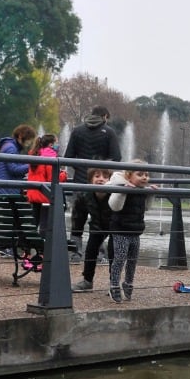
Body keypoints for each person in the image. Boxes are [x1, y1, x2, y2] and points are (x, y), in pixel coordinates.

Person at [63, 106, 121, 262]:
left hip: (80, 181)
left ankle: (75, 253)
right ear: (105, 116)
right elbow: (117, 158)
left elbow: (68, 156)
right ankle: (98, 255)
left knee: (77, 218)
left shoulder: (77, 131)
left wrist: (82, 170)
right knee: (99, 219)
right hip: (100, 184)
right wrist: (103, 172)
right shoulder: (109, 132)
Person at [105, 160, 155, 302]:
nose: (144, 177)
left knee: (132, 260)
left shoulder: (142, 190)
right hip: (120, 230)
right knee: (119, 259)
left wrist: (150, 194)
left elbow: (146, 208)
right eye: (140, 174)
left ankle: (128, 283)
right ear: (129, 175)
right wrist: (123, 191)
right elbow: (114, 206)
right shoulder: (121, 186)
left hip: (135, 231)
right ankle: (114, 285)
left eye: (146, 174)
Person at [23, 133, 66, 272]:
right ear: (51, 144)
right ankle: (41, 255)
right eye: (56, 142)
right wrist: (64, 175)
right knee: (44, 227)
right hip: (44, 196)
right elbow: (51, 178)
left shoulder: (34, 154)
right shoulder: (49, 156)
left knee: (33, 224)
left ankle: (27, 253)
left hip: (33, 194)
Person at [0, 124, 36, 256]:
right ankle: (6, 247)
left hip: (4, 189)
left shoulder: (8, 146)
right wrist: (31, 164)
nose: (29, 144)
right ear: (20, 136)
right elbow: (13, 169)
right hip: (6, 190)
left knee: (11, 218)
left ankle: (9, 247)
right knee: (12, 218)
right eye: (28, 140)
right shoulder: (11, 148)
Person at [70, 166, 113, 292]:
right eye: (97, 176)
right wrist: (76, 235)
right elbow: (79, 216)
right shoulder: (85, 195)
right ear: (90, 180)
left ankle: (114, 283)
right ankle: (87, 281)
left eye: (105, 177)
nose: (101, 179)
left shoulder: (115, 193)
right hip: (97, 225)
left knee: (114, 251)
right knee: (90, 250)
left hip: (115, 226)